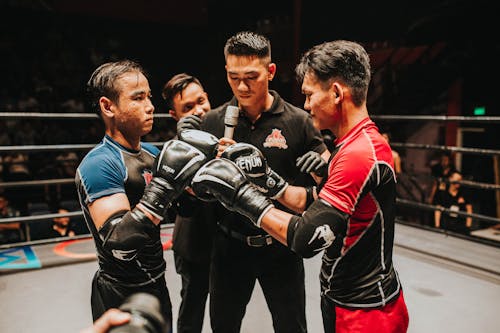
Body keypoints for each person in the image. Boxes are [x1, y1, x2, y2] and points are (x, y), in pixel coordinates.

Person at [191, 40, 409, 332]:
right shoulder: (351, 146)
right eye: (234, 77)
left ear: (335, 93)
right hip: (346, 297)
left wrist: (241, 194)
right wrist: (268, 179)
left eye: (308, 94)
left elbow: (308, 238)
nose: (306, 104)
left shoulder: (357, 154)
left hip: (364, 307)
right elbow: (320, 202)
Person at [199, 31, 329, 333]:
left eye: (251, 77)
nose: (242, 87)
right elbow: (197, 192)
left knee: (292, 327)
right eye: (234, 77)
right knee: (223, 327)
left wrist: (321, 167)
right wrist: (210, 171)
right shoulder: (214, 121)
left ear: (270, 72)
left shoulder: (299, 121)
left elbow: (329, 175)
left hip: (281, 246)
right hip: (229, 245)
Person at [75, 60, 209, 333]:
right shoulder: (100, 164)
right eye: (137, 98)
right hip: (119, 292)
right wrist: (162, 186)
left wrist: (203, 181)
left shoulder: (152, 154)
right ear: (108, 106)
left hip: (156, 282)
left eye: (148, 96)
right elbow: (119, 243)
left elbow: (185, 209)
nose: (150, 106)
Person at [161, 73, 214, 333]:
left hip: (229, 244)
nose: (199, 111)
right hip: (194, 243)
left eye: (201, 101)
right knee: (192, 309)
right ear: (175, 116)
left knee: (227, 312)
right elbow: (181, 201)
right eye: (188, 108)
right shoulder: (172, 150)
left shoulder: (228, 132)